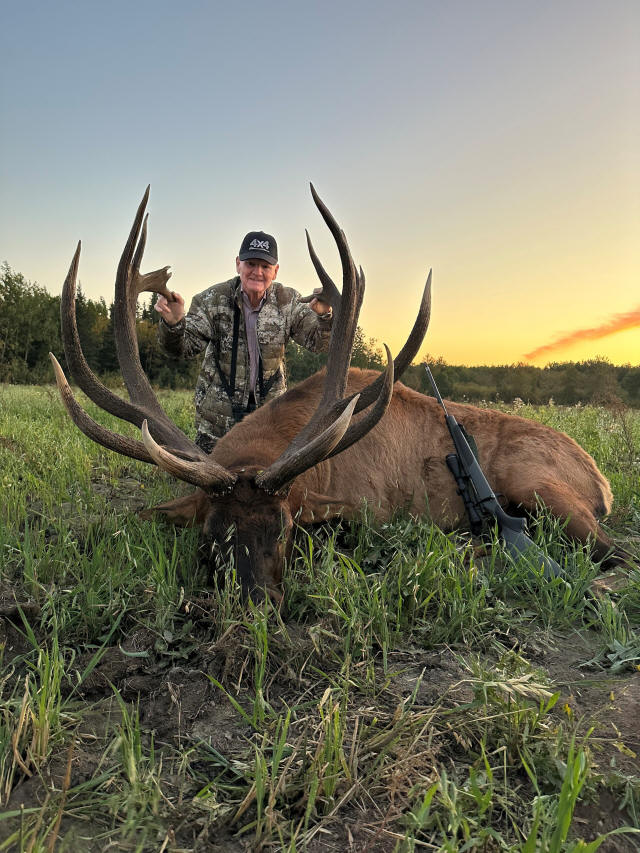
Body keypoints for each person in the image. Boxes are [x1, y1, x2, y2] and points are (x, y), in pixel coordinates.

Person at [155, 230, 333, 453]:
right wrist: (174, 325)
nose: (257, 272)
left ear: (275, 271)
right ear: (238, 264)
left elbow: (319, 343)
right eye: (250, 264)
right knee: (214, 481)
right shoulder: (212, 300)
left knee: (267, 480)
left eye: (265, 266)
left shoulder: (288, 302)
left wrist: (325, 316)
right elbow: (183, 348)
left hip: (269, 422)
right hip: (217, 425)